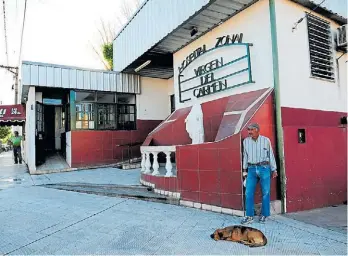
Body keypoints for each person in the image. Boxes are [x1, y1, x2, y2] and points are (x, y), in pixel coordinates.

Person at [241, 123, 277, 224]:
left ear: (257, 130)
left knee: (265, 192)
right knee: (248, 192)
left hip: (264, 168)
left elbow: (271, 155)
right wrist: (244, 171)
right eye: (248, 130)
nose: (249, 132)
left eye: (251, 130)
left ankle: (264, 215)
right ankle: (249, 216)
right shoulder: (246, 141)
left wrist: (274, 169)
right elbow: (245, 156)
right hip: (251, 169)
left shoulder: (266, 140)